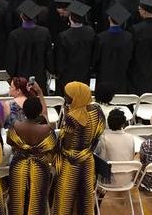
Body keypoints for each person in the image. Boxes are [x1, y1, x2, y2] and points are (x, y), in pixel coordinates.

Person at [51, 82, 105, 215]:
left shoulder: (72, 118)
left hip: (71, 163)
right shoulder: (97, 110)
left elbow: (67, 144)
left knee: (65, 196)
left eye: (67, 95)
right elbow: (99, 131)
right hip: (88, 160)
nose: (65, 98)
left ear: (77, 97)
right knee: (85, 197)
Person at [7, 95, 57, 215]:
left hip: (19, 164)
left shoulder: (16, 126)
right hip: (40, 166)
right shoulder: (47, 129)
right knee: (38, 199)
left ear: (23, 111)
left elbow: (9, 142)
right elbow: (53, 147)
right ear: (40, 112)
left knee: (17, 198)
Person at [95, 109, 136, 188]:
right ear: (123, 123)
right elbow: (131, 156)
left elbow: (100, 159)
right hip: (127, 179)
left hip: (107, 181)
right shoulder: (130, 137)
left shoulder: (103, 138)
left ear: (108, 123)